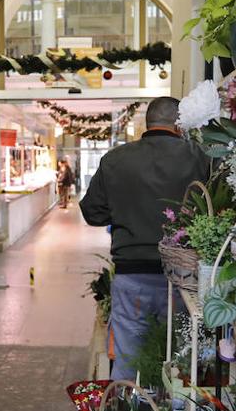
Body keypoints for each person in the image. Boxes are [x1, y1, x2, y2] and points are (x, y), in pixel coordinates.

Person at [80, 96, 209, 381]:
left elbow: (92, 213)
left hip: (132, 277)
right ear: (180, 123)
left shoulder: (115, 159)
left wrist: (123, 211)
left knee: (127, 360)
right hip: (182, 281)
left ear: (147, 123)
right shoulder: (200, 156)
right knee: (179, 363)